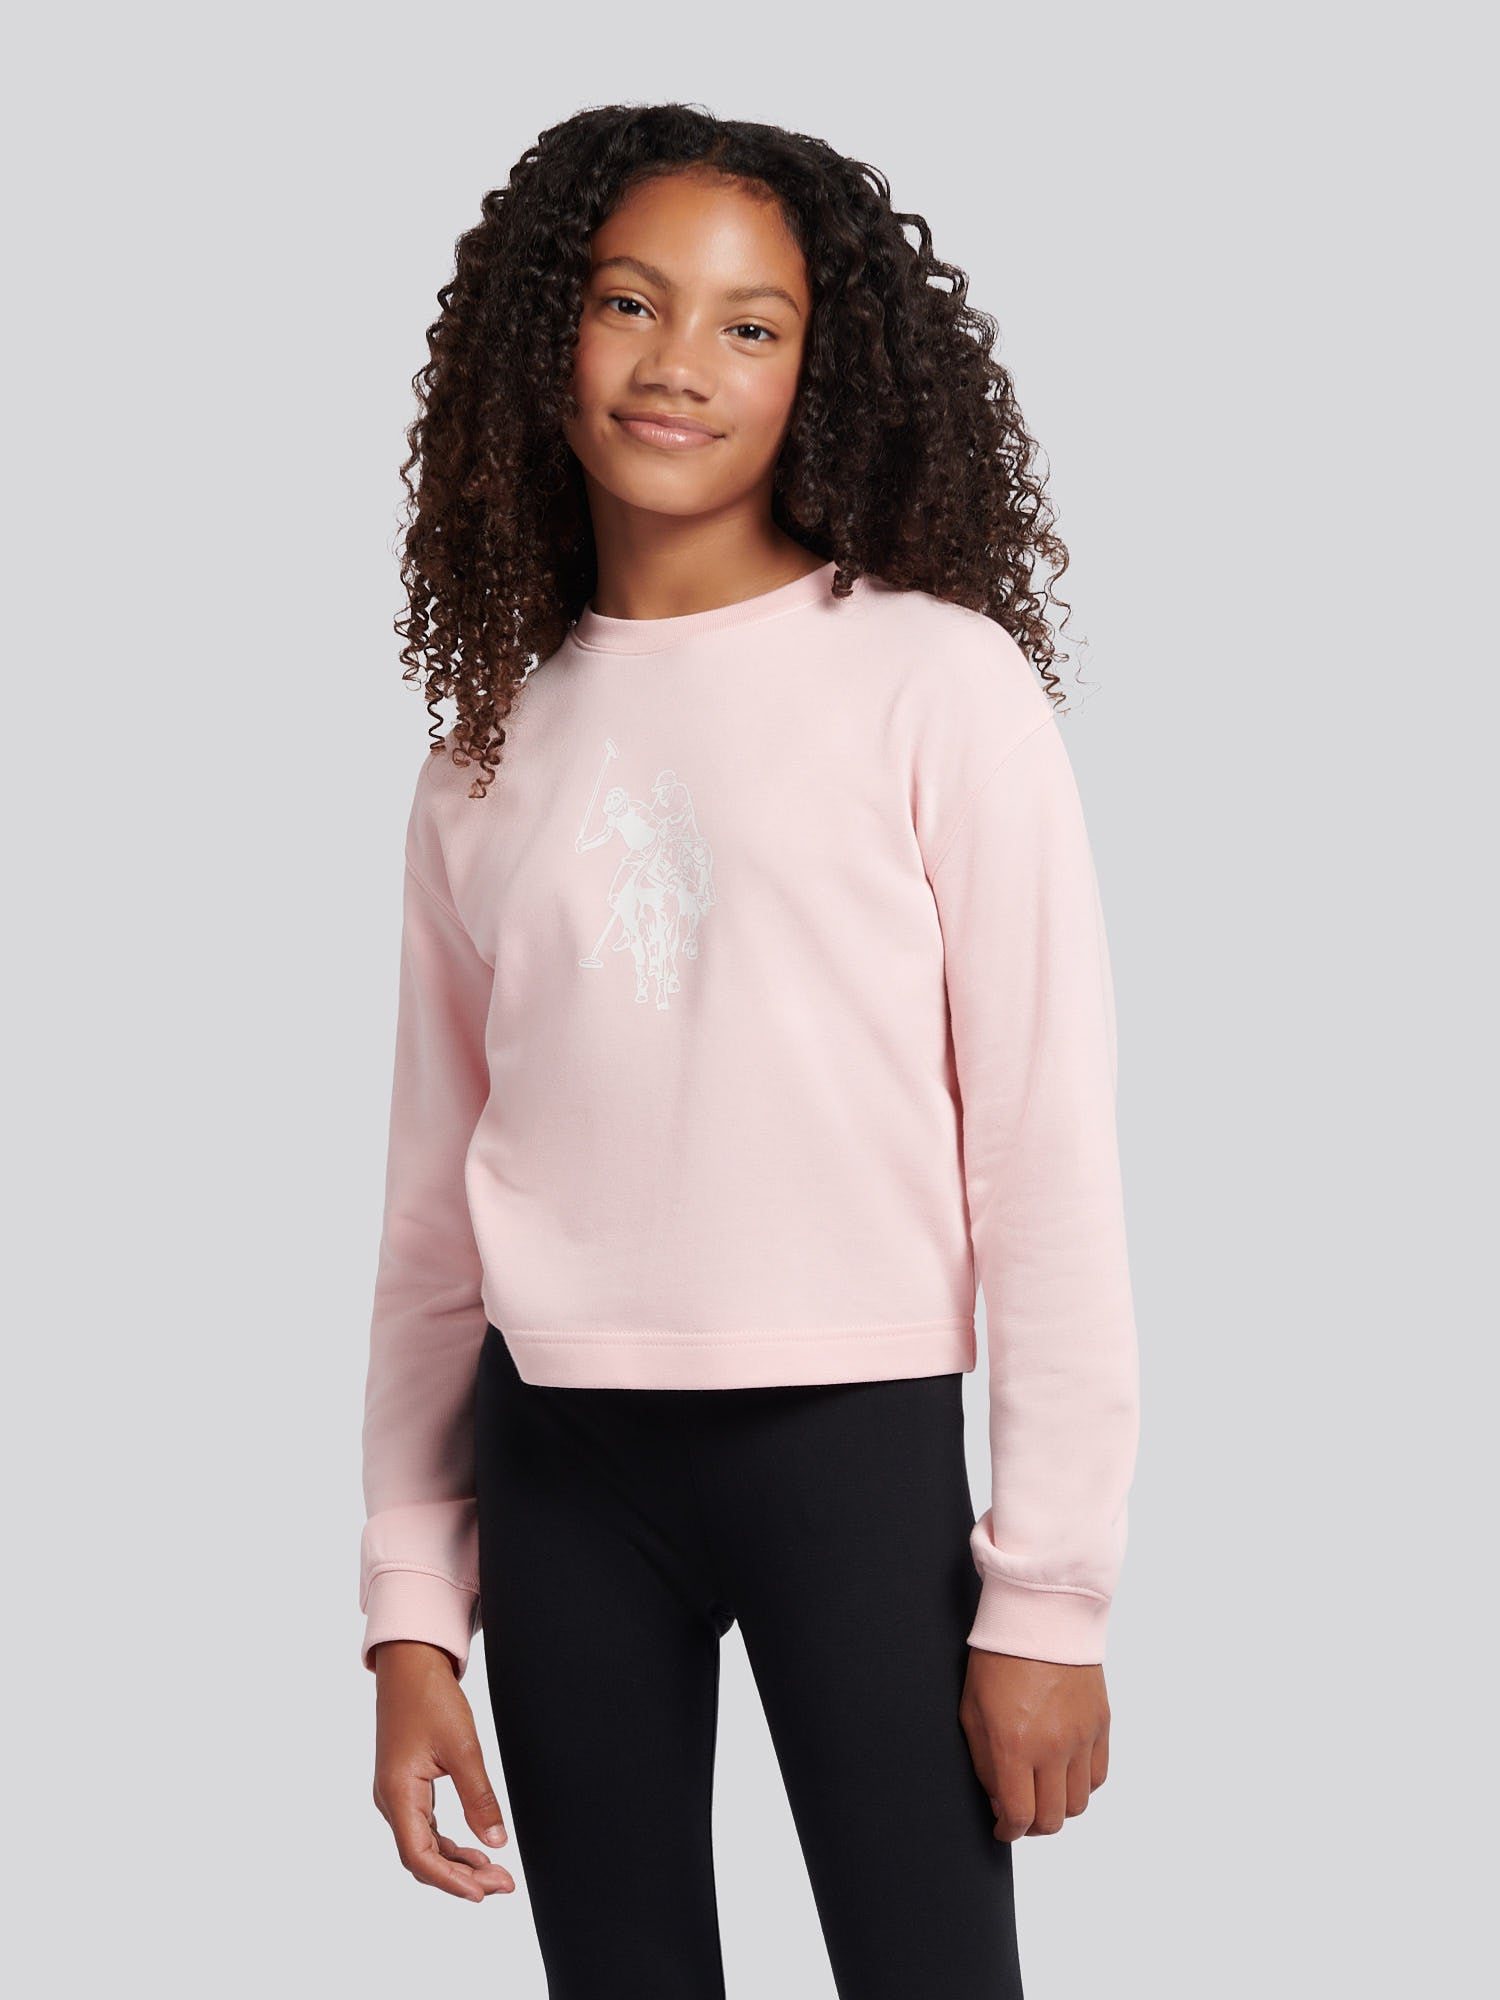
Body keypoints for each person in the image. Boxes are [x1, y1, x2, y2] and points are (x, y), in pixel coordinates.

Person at [358, 102, 1140, 2000]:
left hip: (850, 1454)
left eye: (750, 324)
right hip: (557, 1468)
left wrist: (1048, 1595)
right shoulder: (484, 754)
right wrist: (410, 1612)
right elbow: (433, 1220)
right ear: (547, 332)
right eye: (629, 302)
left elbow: (1041, 1155)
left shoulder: (935, 683)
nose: (677, 363)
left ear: (825, 371)